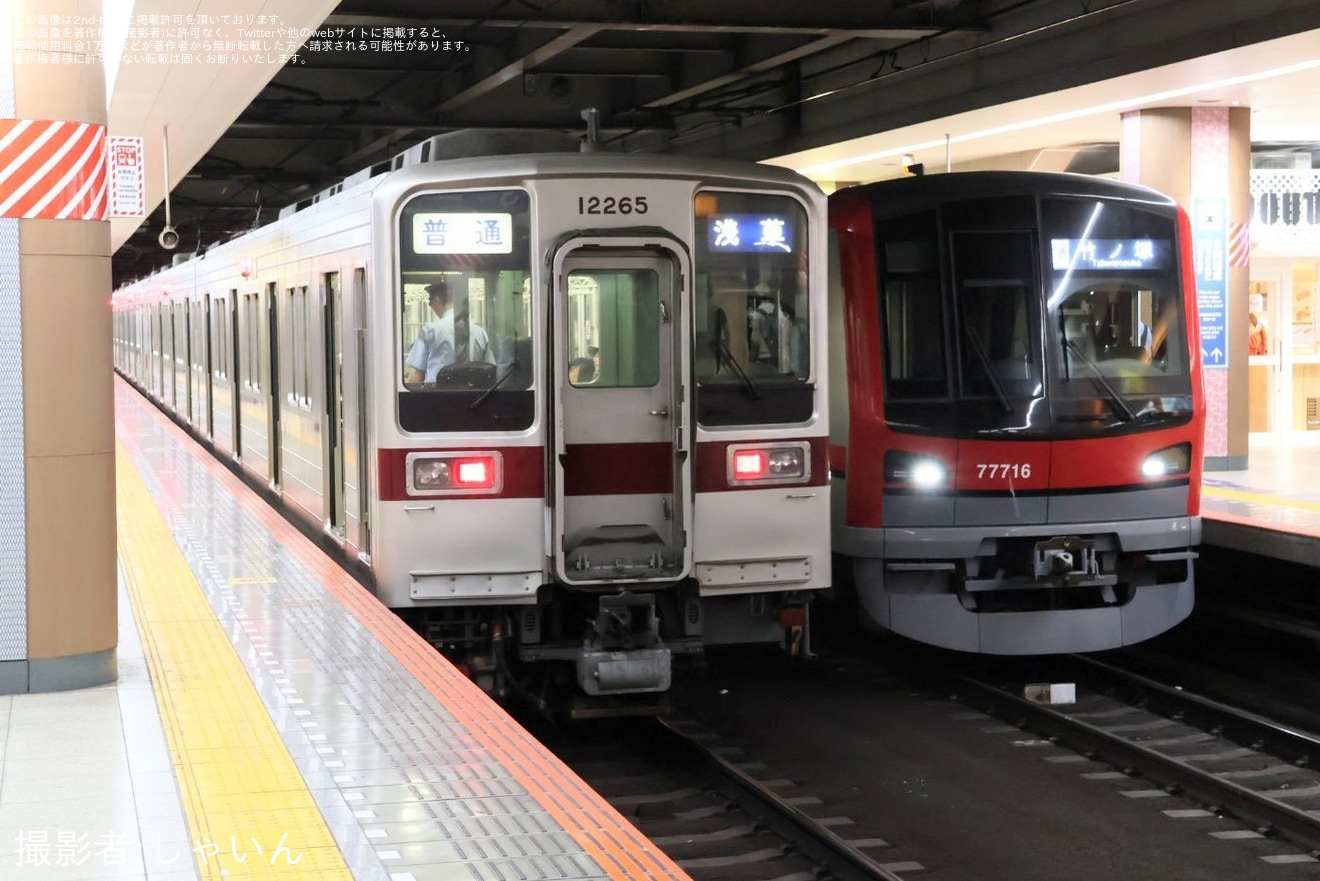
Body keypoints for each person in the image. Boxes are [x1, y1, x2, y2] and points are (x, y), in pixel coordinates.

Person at [403, 281, 495, 387]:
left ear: (437, 300)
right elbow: (490, 369)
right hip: (475, 398)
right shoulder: (480, 332)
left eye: (430, 301)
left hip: (437, 398)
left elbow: (418, 376)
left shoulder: (429, 332)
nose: (430, 306)